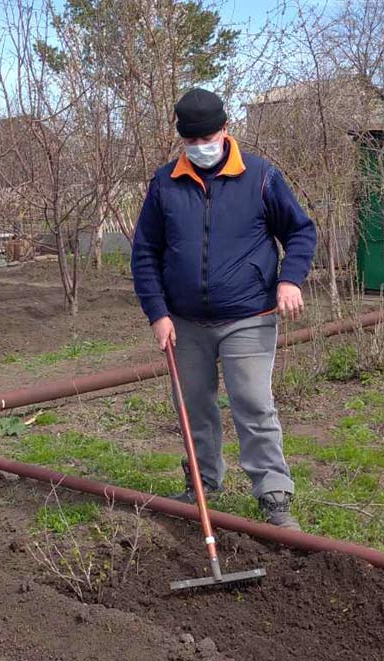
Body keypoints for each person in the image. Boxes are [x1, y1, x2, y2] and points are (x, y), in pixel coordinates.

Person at [131, 88, 316, 529]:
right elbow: (145, 252)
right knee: (193, 405)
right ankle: (204, 483)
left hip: (249, 314)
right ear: (182, 139)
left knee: (252, 402)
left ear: (225, 129)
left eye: (207, 138)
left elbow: (301, 232)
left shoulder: (261, 176)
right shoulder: (164, 183)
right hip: (184, 321)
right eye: (191, 142)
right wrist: (158, 313)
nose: (201, 149)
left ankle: (273, 493)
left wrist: (289, 279)